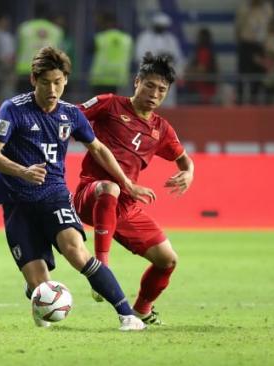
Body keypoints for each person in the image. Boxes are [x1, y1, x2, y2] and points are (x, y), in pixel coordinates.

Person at [0, 46, 155, 330]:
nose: (53, 89)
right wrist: (22, 171)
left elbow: (98, 148)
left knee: (76, 252)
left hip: (54, 196)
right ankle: (38, 293)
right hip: (17, 202)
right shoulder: (13, 109)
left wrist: (126, 183)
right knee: (38, 286)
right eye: (46, 82)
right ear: (33, 80)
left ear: (65, 81)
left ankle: (127, 315)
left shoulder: (70, 114)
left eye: (59, 82)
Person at [72, 53, 194, 325]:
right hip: (90, 195)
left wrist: (188, 173)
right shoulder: (110, 104)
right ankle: (101, 270)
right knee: (109, 188)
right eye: (149, 85)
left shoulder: (161, 129)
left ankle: (142, 311)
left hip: (126, 207)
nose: (154, 94)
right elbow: (69, 116)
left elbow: (184, 159)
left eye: (162, 89)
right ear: (136, 82)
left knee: (167, 260)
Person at [135, 12, 184, 107]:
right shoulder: (145, 37)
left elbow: (178, 57)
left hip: (166, 76)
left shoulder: (171, 39)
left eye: (163, 27)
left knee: (168, 103)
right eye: (159, 26)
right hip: (149, 75)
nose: (161, 29)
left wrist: (169, 58)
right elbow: (139, 56)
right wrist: (158, 57)